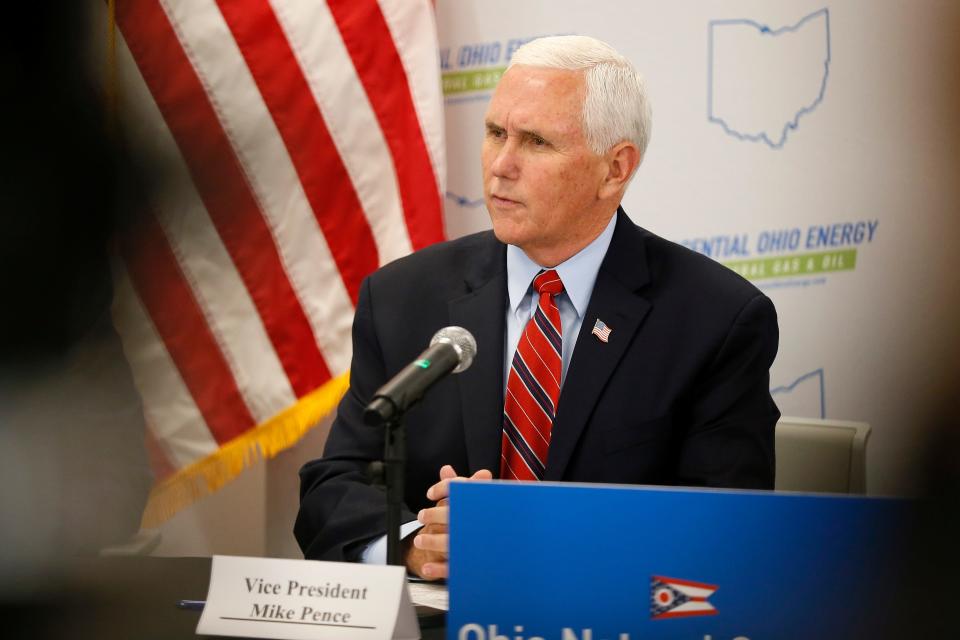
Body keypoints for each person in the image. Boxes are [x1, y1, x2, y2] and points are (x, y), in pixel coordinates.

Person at [295, 35, 779, 580]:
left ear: (615, 169)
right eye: (496, 133)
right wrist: (414, 544)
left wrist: (529, 535)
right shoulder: (404, 297)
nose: (501, 165)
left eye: (537, 143)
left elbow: (727, 525)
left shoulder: (715, 320)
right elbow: (333, 486)